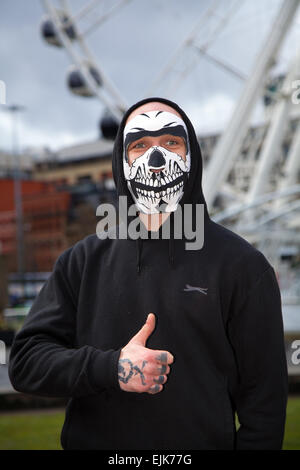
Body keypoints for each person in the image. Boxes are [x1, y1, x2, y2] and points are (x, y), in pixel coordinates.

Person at [8, 97, 288, 450]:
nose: (156, 159)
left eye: (171, 142)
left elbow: (265, 407)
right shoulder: (81, 262)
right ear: (120, 164)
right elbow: (25, 362)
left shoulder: (243, 267)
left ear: (192, 158)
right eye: (139, 145)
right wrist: (111, 368)